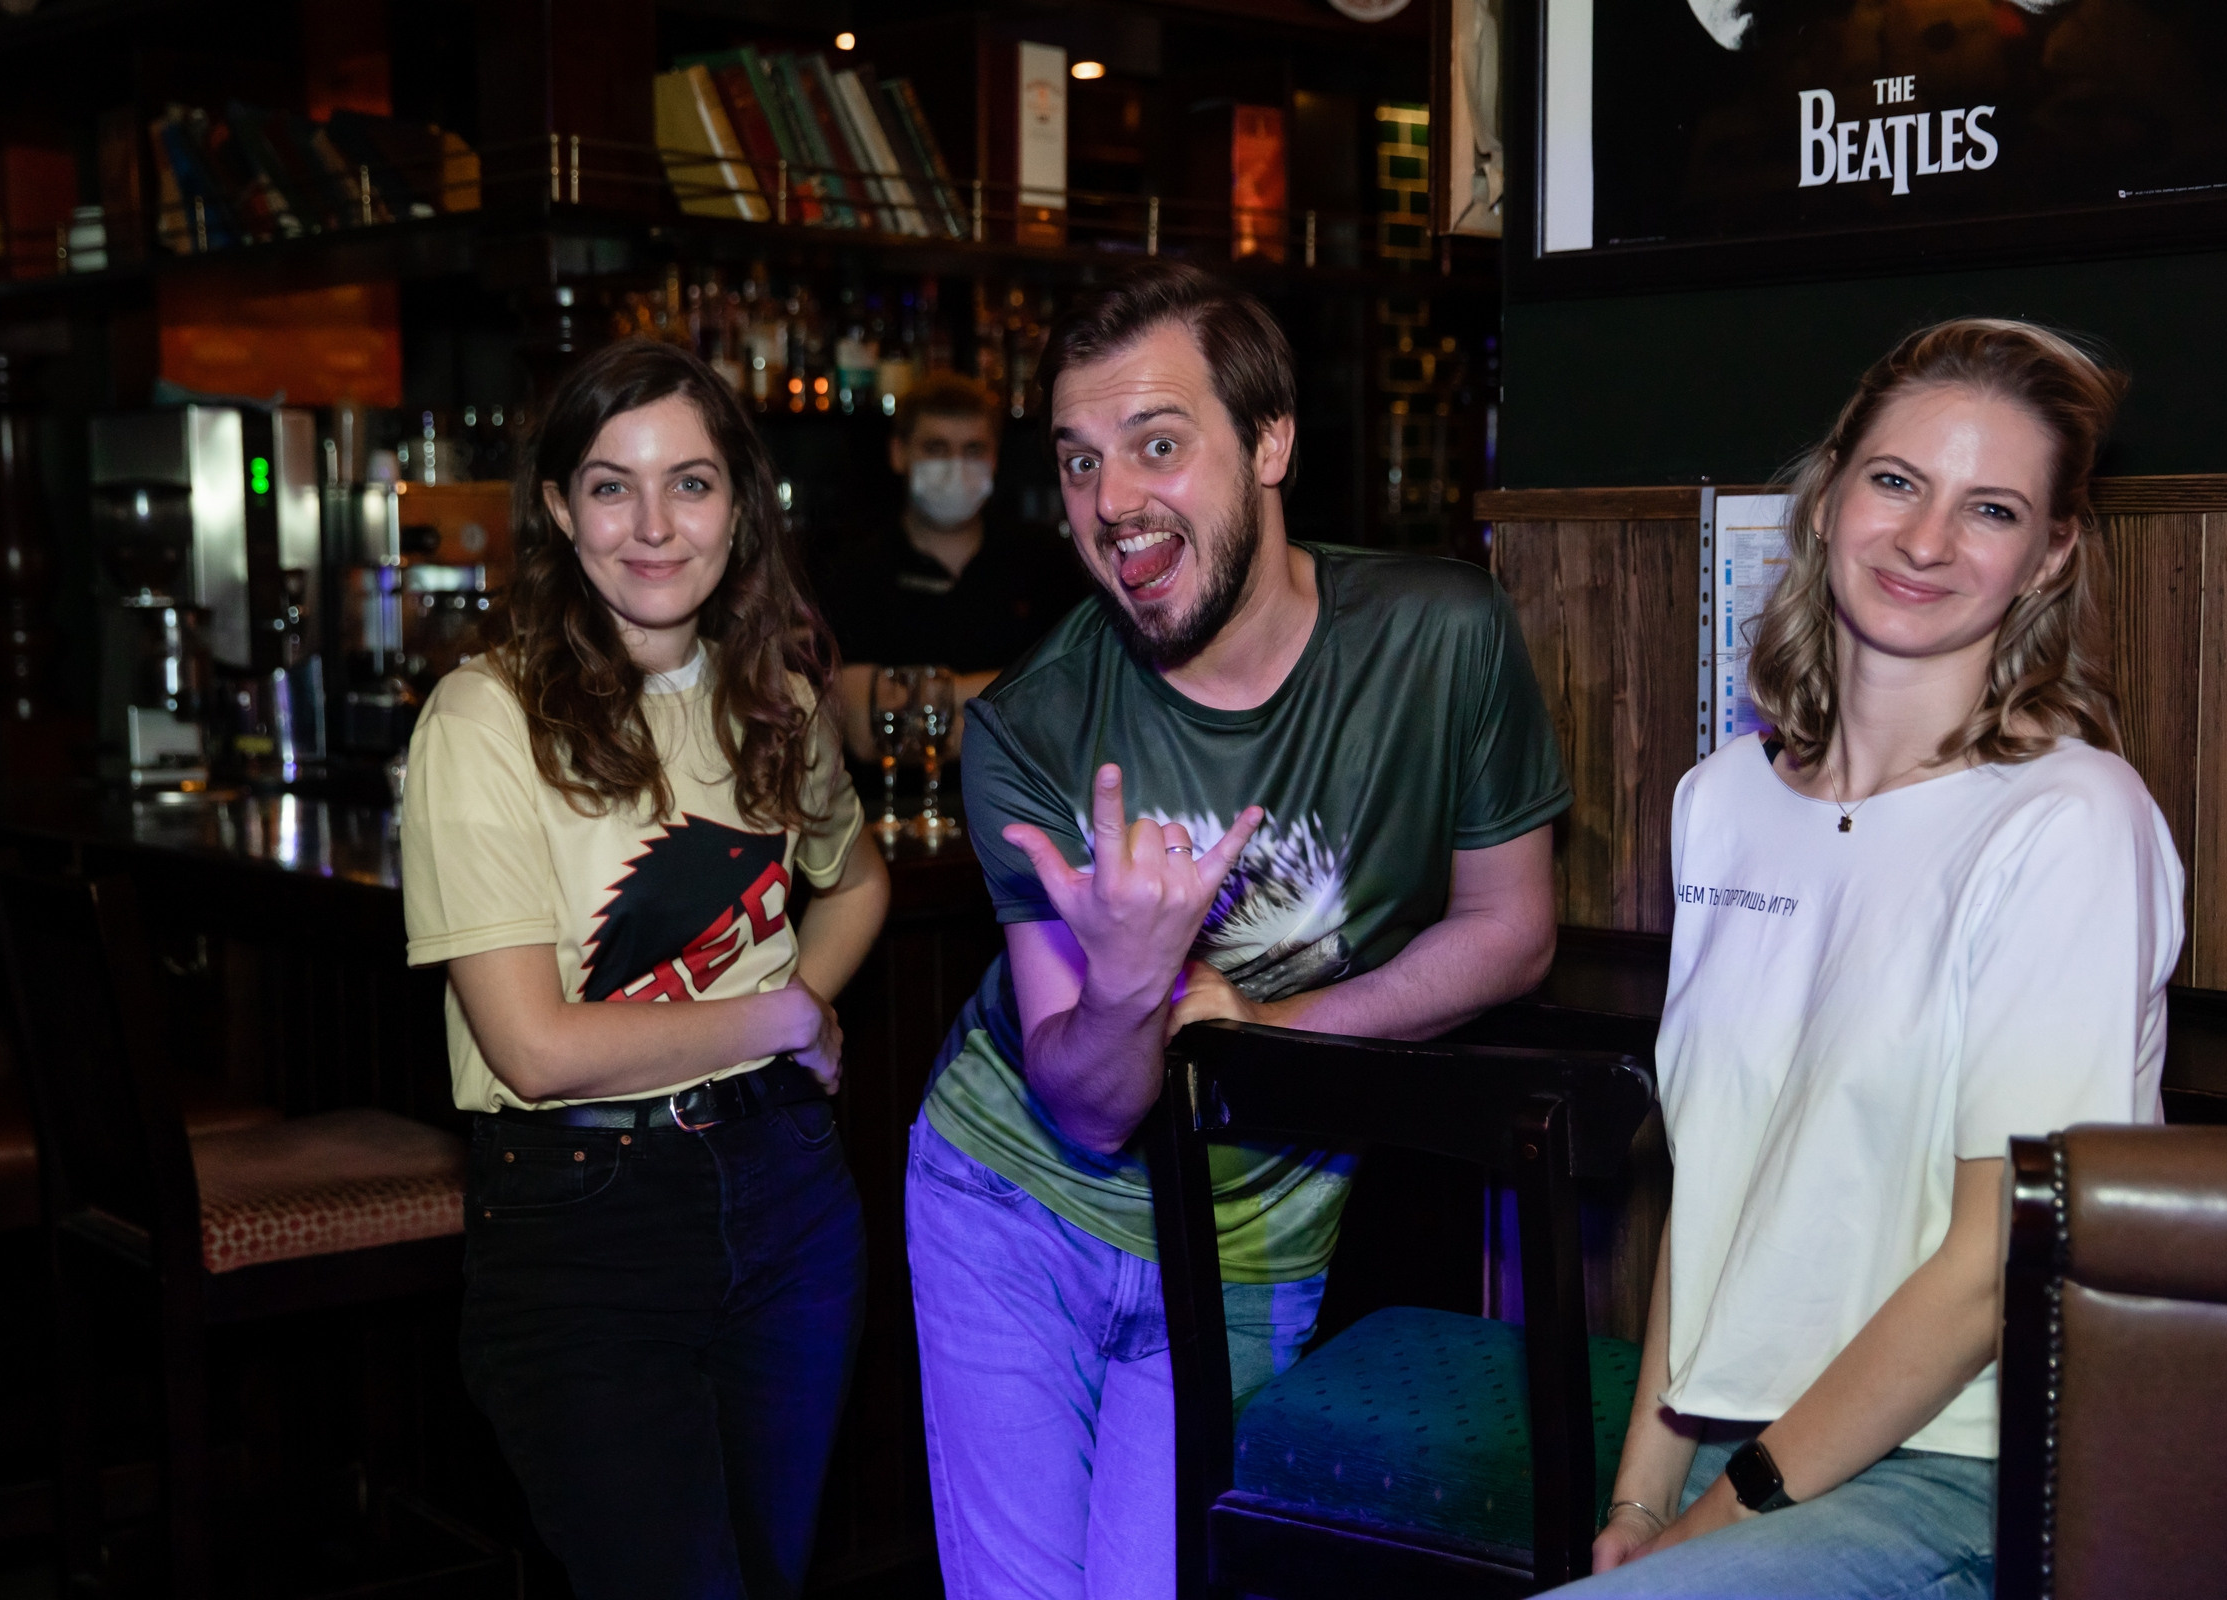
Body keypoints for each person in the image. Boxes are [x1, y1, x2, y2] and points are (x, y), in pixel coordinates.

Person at [906, 260, 1571, 1599]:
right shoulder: (1030, 731)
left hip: (1251, 1230)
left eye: (1158, 445)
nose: (1112, 506)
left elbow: (1512, 931)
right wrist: (1129, 994)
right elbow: (1089, 1108)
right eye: (1082, 461)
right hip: (1011, 1205)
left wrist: (1259, 1034)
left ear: (1270, 444)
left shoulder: (1439, 642)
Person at [1561, 320, 2184, 1599]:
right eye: (1898, 481)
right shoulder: (1721, 798)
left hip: (1966, 1466)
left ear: (2051, 552)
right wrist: (1643, 1488)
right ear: (1832, 485)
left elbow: (1987, 1267)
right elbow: (1719, 1184)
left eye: (1992, 508)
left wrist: (1721, 1514)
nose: (1925, 541)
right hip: (1747, 1446)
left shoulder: (2069, 821)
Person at [400, 339, 891, 1600]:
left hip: (787, 1187)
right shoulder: (481, 717)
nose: (654, 524)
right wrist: (782, 1010)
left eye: (693, 482)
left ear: (742, 504)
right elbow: (535, 1045)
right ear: (560, 510)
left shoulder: (775, 693)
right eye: (612, 486)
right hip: (584, 1213)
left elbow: (859, 879)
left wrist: (804, 1002)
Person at [818, 370, 1089, 762]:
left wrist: (915, 698)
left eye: (973, 450)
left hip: (1023, 813)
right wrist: (1006, 701)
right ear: (899, 453)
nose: (955, 466)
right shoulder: (852, 572)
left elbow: (1071, 704)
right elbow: (864, 732)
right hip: (891, 810)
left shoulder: (1048, 562)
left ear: (995, 457)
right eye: (936, 448)